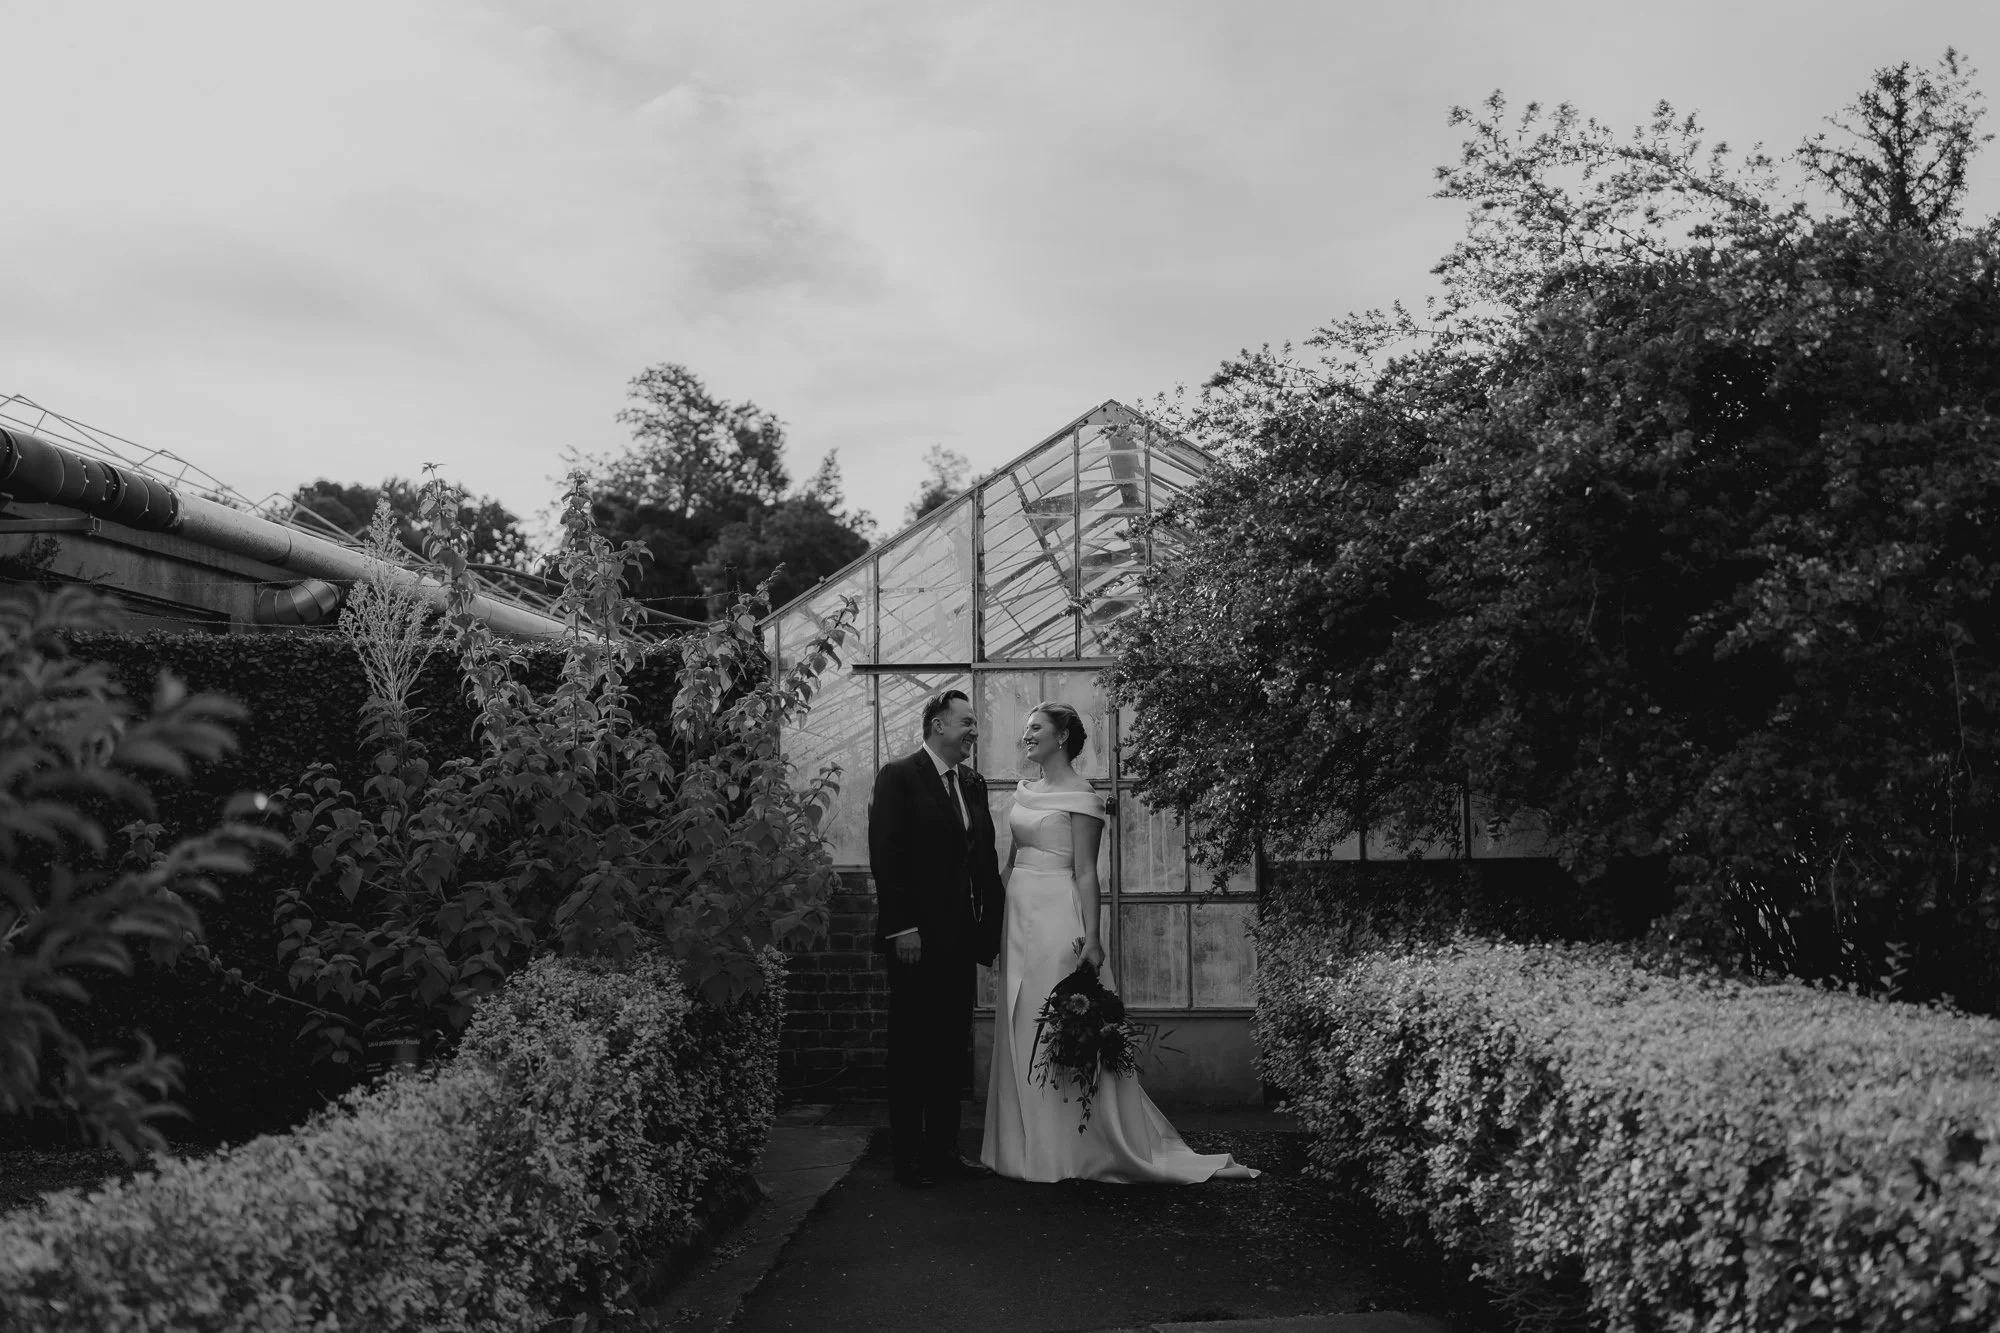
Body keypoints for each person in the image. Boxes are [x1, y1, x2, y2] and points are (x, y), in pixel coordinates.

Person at [981, 701, 1257, 1183]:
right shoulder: (1025, 792)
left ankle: (1070, 1149)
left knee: (1049, 1024)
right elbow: (1011, 860)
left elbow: (1087, 873)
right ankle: (1019, 1146)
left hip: (1056, 919)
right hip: (1017, 914)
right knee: (1018, 1020)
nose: (1026, 736)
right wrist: (990, 923)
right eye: (1025, 728)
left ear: (1062, 736)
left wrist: (1093, 938)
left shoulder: (1083, 797)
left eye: (1035, 728)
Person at [868, 688, 1006, 1189]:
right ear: (937, 725)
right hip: (915, 939)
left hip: (958, 938)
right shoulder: (899, 776)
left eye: (974, 723)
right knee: (911, 1047)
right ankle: (908, 1157)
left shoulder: (972, 782)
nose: (973, 730)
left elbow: (984, 860)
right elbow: (887, 855)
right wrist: (902, 927)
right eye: (965, 721)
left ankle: (945, 1149)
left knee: (951, 1046)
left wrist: (989, 931)